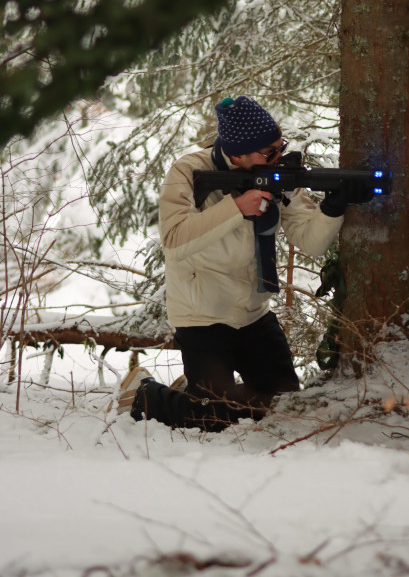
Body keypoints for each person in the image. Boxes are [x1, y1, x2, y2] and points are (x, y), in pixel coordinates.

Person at [114, 96, 347, 432]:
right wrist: (237, 207)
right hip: (202, 319)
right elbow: (174, 240)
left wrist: (332, 210)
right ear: (238, 154)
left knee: (284, 409)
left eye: (279, 146)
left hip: (254, 316)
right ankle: (144, 395)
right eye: (269, 152)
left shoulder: (276, 174)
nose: (278, 156)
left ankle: (196, 394)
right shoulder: (188, 171)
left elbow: (311, 240)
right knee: (217, 419)